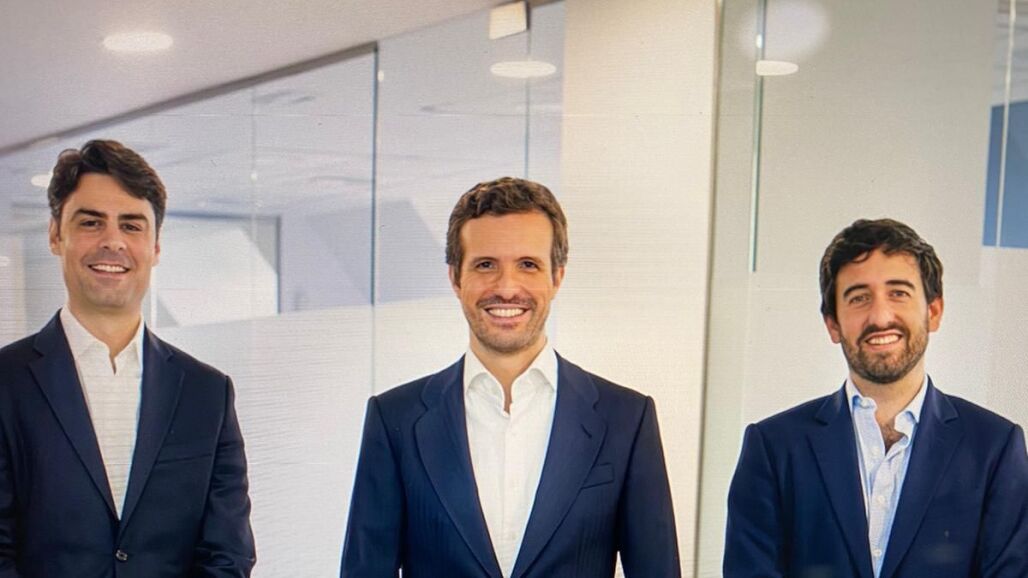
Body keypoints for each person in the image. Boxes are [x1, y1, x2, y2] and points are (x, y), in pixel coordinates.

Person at [340, 177, 679, 578]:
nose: (506, 287)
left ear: (557, 276)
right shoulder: (395, 418)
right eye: (485, 265)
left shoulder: (627, 418)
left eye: (528, 265)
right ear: (455, 278)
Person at [0, 140, 256, 577]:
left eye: (132, 226)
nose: (113, 242)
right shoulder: (7, 382)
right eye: (91, 222)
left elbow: (227, 554)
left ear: (155, 247)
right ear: (55, 235)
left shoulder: (207, 392)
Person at [724, 218, 1028, 578]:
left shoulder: (994, 448)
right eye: (859, 298)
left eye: (898, 293)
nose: (880, 316)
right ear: (833, 324)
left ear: (933, 311)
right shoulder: (773, 448)